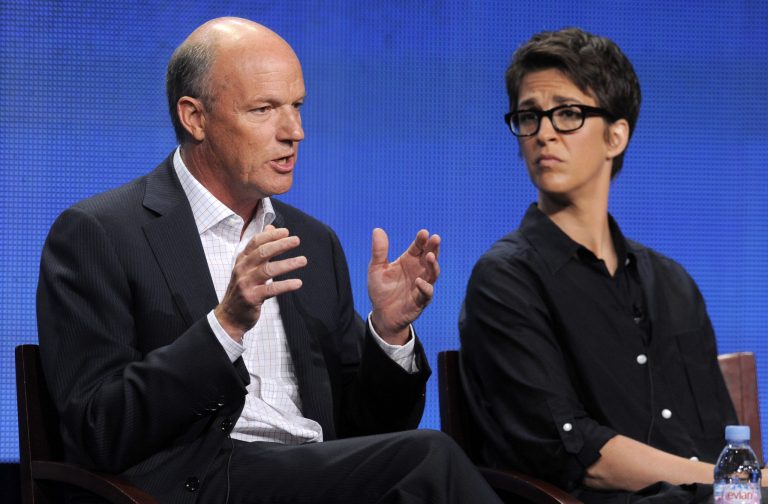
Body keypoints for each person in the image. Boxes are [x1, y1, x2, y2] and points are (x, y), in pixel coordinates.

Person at [37, 17, 502, 503]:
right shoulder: (101, 233)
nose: (294, 131)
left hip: (310, 476)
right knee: (430, 459)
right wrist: (225, 326)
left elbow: (371, 430)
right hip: (202, 484)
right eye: (264, 109)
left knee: (418, 466)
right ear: (195, 117)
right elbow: (97, 429)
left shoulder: (312, 242)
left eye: (297, 106)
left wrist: (387, 334)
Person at [459, 28, 765, 503]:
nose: (543, 134)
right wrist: (730, 482)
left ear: (616, 135)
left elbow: (720, 444)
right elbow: (575, 452)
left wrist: (736, 484)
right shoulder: (506, 280)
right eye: (528, 116)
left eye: (567, 114)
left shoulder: (673, 283)